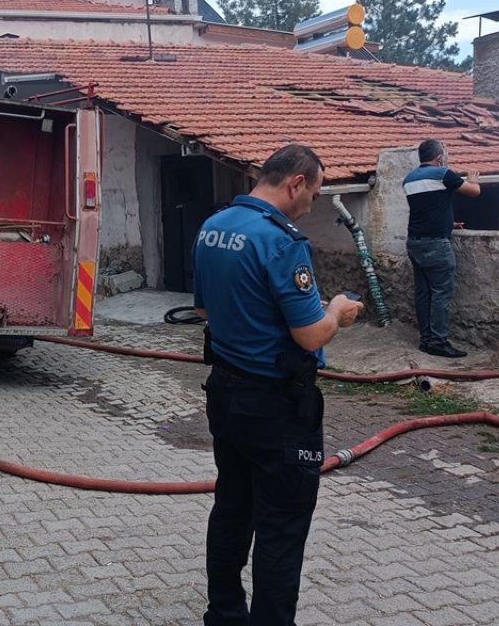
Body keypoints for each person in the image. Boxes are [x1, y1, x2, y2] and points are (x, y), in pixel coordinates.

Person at [193, 144, 365, 626]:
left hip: (226, 395)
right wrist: (337, 312)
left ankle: (224, 615)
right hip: (277, 406)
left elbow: (205, 309)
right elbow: (310, 335)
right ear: (295, 183)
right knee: (281, 528)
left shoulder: (213, 227)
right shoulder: (283, 242)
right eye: (314, 190)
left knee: (232, 509)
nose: (313, 202)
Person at [403, 139, 481, 358]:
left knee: (423, 292)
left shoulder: (408, 179)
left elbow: (427, 207)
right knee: (441, 292)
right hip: (435, 243)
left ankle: (426, 339)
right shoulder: (443, 174)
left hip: (414, 242)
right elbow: (474, 192)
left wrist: (448, 222)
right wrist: (473, 180)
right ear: (439, 157)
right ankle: (438, 341)